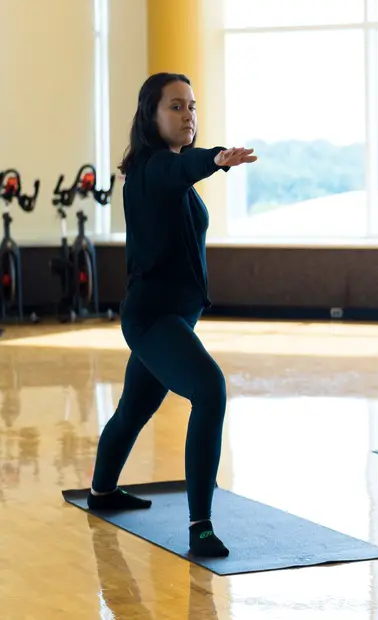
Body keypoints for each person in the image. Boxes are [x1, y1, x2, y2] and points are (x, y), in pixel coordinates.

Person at [86, 72, 257, 558]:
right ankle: (200, 525)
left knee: (134, 409)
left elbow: (184, 174)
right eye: (176, 107)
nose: (188, 116)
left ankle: (102, 491)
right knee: (209, 389)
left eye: (192, 106)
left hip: (174, 319)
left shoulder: (164, 168)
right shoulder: (152, 169)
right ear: (151, 115)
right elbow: (181, 171)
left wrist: (207, 160)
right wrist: (217, 159)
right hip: (153, 319)